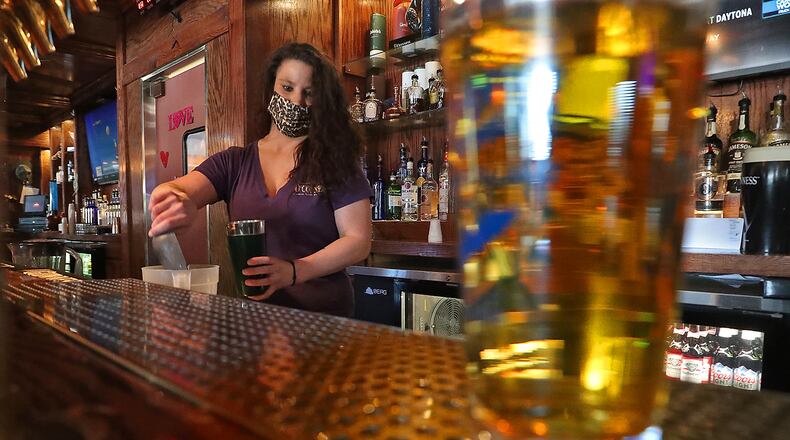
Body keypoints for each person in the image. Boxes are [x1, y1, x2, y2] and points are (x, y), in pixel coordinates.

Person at [148, 42, 371, 317]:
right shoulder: (235, 162)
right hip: (256, 322)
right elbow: (180, 188)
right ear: (270, 89)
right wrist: (174, 199)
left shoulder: (336, 160)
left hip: (325, 321)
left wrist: (293, 271)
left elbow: (358, 241)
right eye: (287, 88)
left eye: (309, 93)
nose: (296, 101)